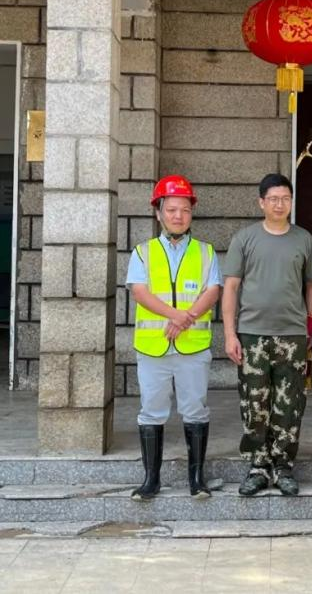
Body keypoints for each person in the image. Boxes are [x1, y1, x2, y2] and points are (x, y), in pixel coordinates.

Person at [126, 175, 222, 501]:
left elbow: (213, 290)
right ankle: (150, 479)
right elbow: (140, 292)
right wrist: (175, 315)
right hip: (153, 347)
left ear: (191, 212)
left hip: (192, 347)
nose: (178, 216)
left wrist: (187, 318)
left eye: (184, 209)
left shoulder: (206, 252)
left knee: (195, 409)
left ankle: (197, 479)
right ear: (158, 213)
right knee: (151, 411)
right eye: (171, 210)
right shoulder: (143, 252)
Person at [223, 173, 312, 497]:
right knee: (254, 403)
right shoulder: (245, 239)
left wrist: (309, 324)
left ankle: (283, 466)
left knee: (290, 403)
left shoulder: (304, 239)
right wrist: (230, 334)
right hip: (252, 335)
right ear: (261, 202)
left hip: (292, 335)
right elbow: (231, 287)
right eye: (274, 199)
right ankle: (258, 466)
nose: (280, 205)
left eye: (285, 199)